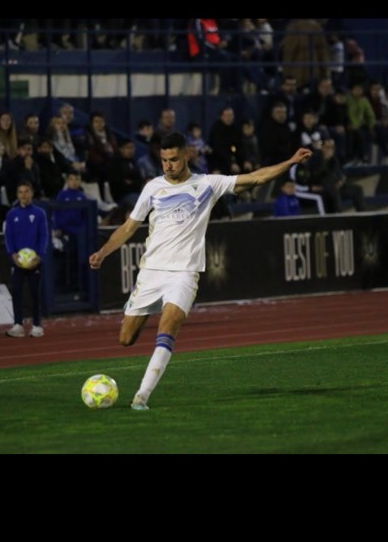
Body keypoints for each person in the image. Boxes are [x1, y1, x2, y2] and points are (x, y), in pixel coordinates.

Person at [89, 131, 312, 411]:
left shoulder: (208, 184)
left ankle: (141, 396)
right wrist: (103, 252)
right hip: (151, 272)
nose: (168, 165)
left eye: (173, 159)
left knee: (168, 325)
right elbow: (128, 227)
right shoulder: (153, 187)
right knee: (126, 339)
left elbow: (256, 177)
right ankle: (140, 332)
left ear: (186, 156)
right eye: (163, 160)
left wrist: (290, 161)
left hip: (184, 272)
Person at [4, 181, 49, 338]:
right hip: (17, 261)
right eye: (20, 192)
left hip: (34, 261)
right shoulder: (12, 214)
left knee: (35, 293)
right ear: (17, 195)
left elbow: (43, 235)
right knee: (16, 292)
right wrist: (12, 255)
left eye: (26, 191)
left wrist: (39, 256)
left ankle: (37, 325)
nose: (23, 195)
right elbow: (8, 236)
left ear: (32, 193)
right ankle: (18, 324)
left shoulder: (39, 213)